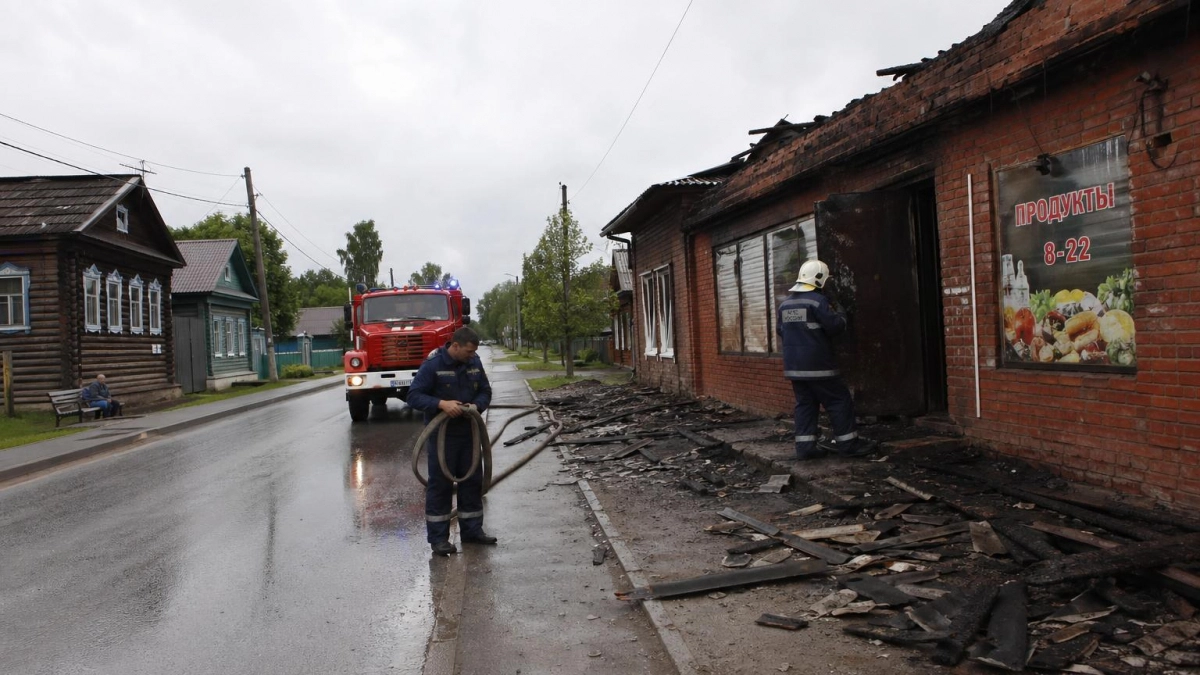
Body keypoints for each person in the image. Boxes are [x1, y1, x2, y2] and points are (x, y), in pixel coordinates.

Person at [406, 326, 495, 556]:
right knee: (441, 485)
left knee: (472, 482)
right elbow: (414, 395)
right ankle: (438, 540)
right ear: (455, 346)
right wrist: (442, 404)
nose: (472, 355)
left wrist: (477, 406)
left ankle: (472, 532)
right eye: (468, 351)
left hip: (469, 433)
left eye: (474, 352)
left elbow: (485, 390)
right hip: (442, 437)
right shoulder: (434, 364)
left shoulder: (474, 363)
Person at [776, 260, 875, 460]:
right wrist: (840, 311)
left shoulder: (785, 304)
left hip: (794, 368)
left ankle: (806, 449)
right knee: (839, 400)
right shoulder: (817, 301)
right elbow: (835, 327)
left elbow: (781, 331)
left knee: (805, 404)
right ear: (819, 279)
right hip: (819, 366)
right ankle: (848, 444)